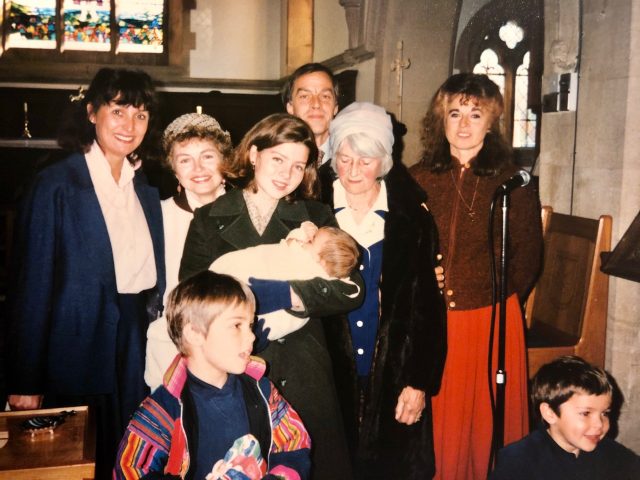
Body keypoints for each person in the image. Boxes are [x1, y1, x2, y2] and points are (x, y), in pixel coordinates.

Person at [179, 113, 362, 480]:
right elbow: (189, 300)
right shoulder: (208, 218)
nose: (286, 174)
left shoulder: (315, 215)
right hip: (232, 373)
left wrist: (288, 292)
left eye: (298, 166)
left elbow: (349, 290)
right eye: (278, 159)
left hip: (303, 370)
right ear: (253, 154)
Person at [7, 67, 165, 478]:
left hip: (133, 345)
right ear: (92, 113)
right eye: (119, 111)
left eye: (142, 114)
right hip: (74, 348)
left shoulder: (144, 188)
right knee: (74, 465)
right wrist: (25, 379)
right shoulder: (56, 184)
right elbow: (31, 286)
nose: (131, 125)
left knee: (128, 459)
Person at [410, 73, 543, 480]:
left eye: (475, 113)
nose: (464, 124)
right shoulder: (417, 178)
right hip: (436, 317)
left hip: (490, 316)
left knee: (486, 418)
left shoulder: (510, 182)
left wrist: (492, 293)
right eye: (455, 113)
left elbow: (528, 257)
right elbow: (404, 247)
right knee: (441, 420)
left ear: (491, 122)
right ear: (441, 120)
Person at [322, 101, 447, 479]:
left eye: (365, 160)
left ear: (385, 161)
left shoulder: (412, 219)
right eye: (344, 159)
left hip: (394, 372)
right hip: (327, 373)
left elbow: (427, 308)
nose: (353, 171)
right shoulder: (314, 211)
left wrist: (418, 382)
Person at [115, 271, 312, 480]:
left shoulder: (263, 391)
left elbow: (295, 441)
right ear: (194, 334)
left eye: (251, 325)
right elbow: (130, 469)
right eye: (237, 325)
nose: (252, 336)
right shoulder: (164, 408)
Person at [146, 221, 360, 391]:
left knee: (165, 336)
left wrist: (287, 294)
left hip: (242, 324)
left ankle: (162, 387)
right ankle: (161, 388)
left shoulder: (308, 267)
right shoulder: (306, 249)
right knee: (166, 334)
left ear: (321, 262)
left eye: (312, 241)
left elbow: (350, 292)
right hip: (217, 294)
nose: (306, 240)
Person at [145, 111, 232, 390]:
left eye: (207, 156)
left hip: (232, 344)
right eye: (185, 160)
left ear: (225, 161)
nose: (198, 168)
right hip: (171, 345)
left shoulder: (247, 211)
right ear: (174, 171)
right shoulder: (158, 216)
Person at [490, 356, 640, 479]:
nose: (599, 424)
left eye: (605, 413)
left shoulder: (613, 455)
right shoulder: (518, 461)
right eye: (585, 413)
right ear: (550, 414)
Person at [282, 62, 339, 203]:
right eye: (305, 96)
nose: (316, 104)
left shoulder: (355, 161)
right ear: (290, 107)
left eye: (325, 96)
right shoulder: (275, 159)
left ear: (335, 107)